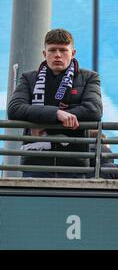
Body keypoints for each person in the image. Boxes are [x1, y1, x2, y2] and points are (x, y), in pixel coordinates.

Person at [8, 28, 103, 178]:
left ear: (73, 53)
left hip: (74, 163)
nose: (58, 55)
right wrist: (57, 113)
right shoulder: (29, 78)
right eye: (52, 50)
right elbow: (14, 109)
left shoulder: (89, 77)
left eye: (63, 50)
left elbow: (94, 110)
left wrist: (43, 115)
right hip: (35, 163)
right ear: (45, 54)